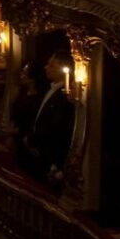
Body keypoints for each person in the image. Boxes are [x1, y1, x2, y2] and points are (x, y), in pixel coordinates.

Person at [17, 52, 76, 186]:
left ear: (63, 68)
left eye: (51, 65)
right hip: (34, 152)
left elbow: (56, 127)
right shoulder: (48, 89)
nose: (46, 67)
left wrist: (33, 141)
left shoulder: (66, 96)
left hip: (46, 156)